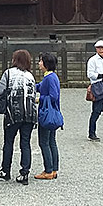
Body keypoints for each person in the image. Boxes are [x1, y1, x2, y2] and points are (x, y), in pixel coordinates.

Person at [0, 49, 38, 185]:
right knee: (25, 143)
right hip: (30, 113)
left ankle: (5, 170)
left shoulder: (8, 73)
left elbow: (0, 90)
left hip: (13, 112)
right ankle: (24, 173)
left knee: (9, 142)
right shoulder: (31, 76)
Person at [34, 52, 61, 180]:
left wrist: (40, 99)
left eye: (41, 61)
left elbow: (53, 96)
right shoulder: (50, 76)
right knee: (52, 142)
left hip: (47, 113)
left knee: (44, 142)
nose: (39, 63)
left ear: (46, 64)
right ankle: (54, 169)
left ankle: (48, 170)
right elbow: (40, 87)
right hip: (53, 112)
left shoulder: (50, 78)